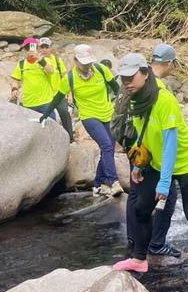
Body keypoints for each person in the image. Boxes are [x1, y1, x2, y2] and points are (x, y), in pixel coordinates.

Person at [112, 53, 188, 284]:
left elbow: (170, 145)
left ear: (145, 74)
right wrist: (138, 165)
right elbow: (140, 135)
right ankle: (139, 259)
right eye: (123, 78)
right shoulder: (133, 98)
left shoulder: (164, 100)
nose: (126, 82)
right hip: (154, 162)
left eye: (131, 77)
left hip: (185, 163)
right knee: (141, 208)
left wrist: (165, 182)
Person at [41, 43, 122, 197]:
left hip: (107, 113)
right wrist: (45, 115)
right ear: (76, 61)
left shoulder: (101, 70)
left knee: (109, 148)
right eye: (84, 62)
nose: (87, 65)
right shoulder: (70, 78)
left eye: (89, 62)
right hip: (89, 116)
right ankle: (113, 181)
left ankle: (98, 185)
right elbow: (57, 98)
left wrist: (122, 107)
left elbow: (117, 89)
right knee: (106, 145)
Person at [124, 43, 182, 259]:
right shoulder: (156, 88)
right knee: (168, 194)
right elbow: (161, 132)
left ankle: (134, 239)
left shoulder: (133, 81)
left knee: (136, 192)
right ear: (170, 63)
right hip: (147, 148)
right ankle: (156, 243)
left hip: (132, 143)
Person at [10, 37, 57, 121]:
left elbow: (51, 71)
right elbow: (15, 80)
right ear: (24, 50)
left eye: (33, 47)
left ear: (37, 48)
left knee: (51, 126)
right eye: (27, 48)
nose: (30, 50)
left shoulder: (44, 60)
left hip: (46, 102)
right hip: (28, 104)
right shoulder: (21, 64)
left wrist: (39, 59)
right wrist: (14, 89)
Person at [38, 37, 73, 140]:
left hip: (59, 93)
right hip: (45, 95)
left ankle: (70, 137)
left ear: (51, 47)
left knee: (65, 114)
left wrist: (69, 93)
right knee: (47, 117)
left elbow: (65, 77)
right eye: (42, 47)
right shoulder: (38, 61)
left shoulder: (57, 60)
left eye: (46, 47)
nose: (44, 49)